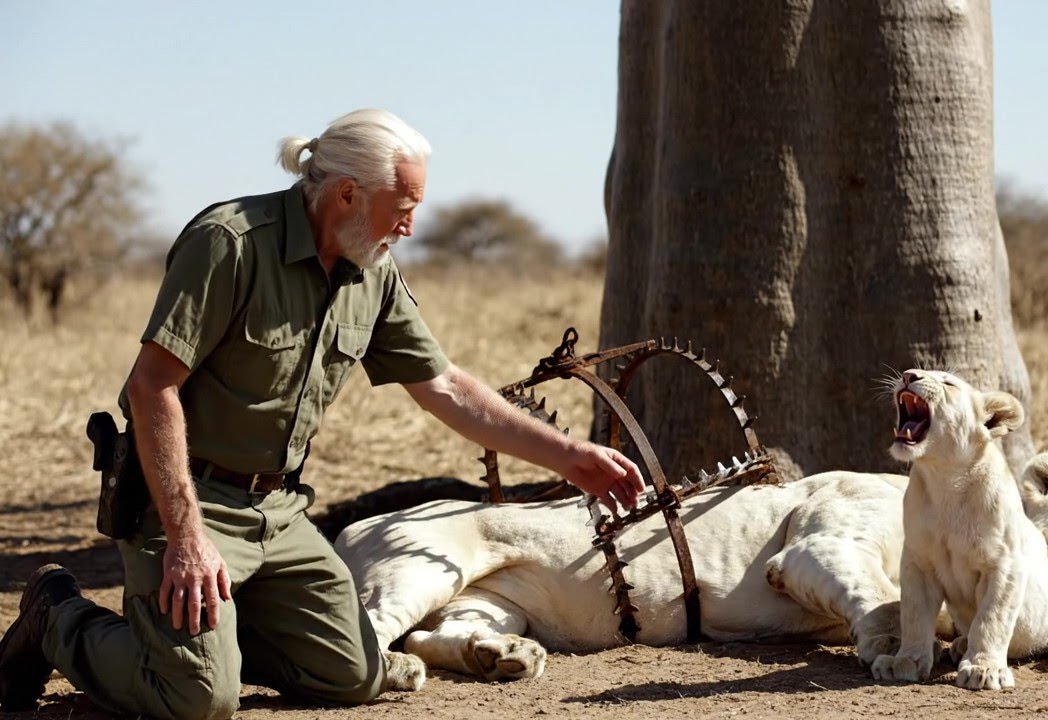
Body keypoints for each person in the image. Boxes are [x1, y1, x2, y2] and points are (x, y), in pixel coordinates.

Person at [0, 108, 644, 718]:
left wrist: (571, 457)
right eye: (405, 206)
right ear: (346, 194)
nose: (410, 226)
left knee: (354, 678)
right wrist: (188, 538)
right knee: (198, 700)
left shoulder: (375, 273)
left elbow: (445, 385)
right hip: (185, 505)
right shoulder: (229, 243)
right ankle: (58, 615)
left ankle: (215, 635)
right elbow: (151, 388)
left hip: (278, 513)